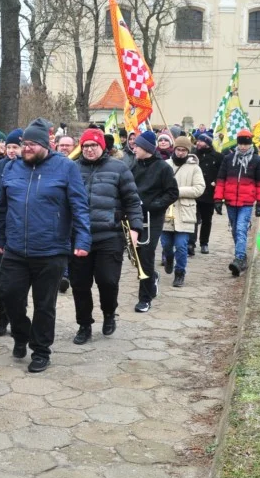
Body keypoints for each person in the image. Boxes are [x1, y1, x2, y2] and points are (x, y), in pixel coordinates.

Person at [0, 118, 91, 373]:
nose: (27, 148)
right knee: (9, 295)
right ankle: (22, 334)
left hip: (51, 250)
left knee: (44, 304)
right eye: (25, 143)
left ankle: (41, 350)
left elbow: (79, 206)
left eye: (33, 144)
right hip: (15, 248)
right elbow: (1, 208)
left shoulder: (65, 168)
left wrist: (82, 240)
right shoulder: (11, 169)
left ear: (47, 145)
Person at [70, 128, 143, 344]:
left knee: (108, 281)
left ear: (103, 147)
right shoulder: (72, 169)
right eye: (85, 146)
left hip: (110, 235)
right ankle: (84, 325)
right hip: (79, 237)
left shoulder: (119, 168)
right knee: (80, 285)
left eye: (93, 145)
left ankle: (109, 313)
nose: (89, 150)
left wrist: (135, 227)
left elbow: (132, 200)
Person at [130, 131, 179, 313]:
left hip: (153, 218)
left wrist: (154, 205)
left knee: (147, 257)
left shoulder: (163, 168)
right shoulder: (132, 167)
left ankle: (145, 298)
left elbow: (172, 192)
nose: (134, 149)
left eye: (137, 146)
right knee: (135, 256)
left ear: (147, 148)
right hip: (134, 217)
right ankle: (152, 278)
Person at [213, 129, 260, 276]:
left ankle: (239, 258)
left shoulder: (257, 161)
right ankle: (241, 254)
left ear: (250, 144)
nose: (243, 147)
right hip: (230, 200)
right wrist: (218, 199)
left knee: (241, 229)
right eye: (241, 144)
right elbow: (221, 180)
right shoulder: (228, 159)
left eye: (246, 144)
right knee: (235, 229)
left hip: (247, 201)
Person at [0, 128, 22, 336]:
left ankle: (15, 315)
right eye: (8, 147)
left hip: (18, 228)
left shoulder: (28, 167)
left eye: (15, 147)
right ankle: (2, 315)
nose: (11, 151)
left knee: (14, 280)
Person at [160, 136, 205, 288]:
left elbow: (199, 188)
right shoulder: (165, 165)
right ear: (174, 149)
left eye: (184, 150)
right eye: (178, 149)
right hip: (167, 211)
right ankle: (169, 258)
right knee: (165, 243)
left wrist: (178, 191)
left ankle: (180, 272)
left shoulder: (194, 168)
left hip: (185, 212)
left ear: (188, 151)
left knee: (181, 245)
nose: (180, 153)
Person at [190, 134, 222, 255]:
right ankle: (191, 243)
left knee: (206, 220)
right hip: (194, 192)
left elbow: (221, 174)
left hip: (209, 193)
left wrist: (216, 183)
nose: (198, 143)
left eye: (201, 141)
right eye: (197, 140)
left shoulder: (218, 157)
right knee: (193, 219)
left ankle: (204, 243)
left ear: (207, 142)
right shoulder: (193, 156)